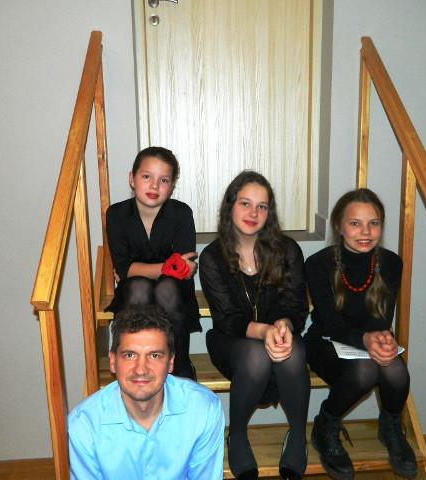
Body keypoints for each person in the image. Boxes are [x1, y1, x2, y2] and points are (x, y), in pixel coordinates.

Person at [199, 171, 310, 480]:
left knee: (294, 353)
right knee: (256, 355)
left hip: (278, 333)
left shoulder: (288, 250)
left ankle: (298, 435)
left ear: (269, 212)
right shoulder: (212, 257)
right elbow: (227, 319)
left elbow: (296, 306)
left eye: (262, 206)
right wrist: (264, 331)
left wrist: (283, 326)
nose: (253, 213)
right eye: (245, 203)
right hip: (231, 340)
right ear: (230, 206)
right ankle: (237, 434)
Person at [304, 188, 416, 479]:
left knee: (396, 370)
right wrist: (366, 339)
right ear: (339, 226)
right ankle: (326, 426)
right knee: (365, 371)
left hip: (368, 337)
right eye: (355, 223)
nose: (365, 232)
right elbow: (331, 323)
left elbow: (382, 318)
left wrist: (382, 339)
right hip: (326, 340)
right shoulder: (317, 264)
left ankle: (391, 427)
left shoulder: (391, 263)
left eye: (373, 223)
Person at [68, 304, 225, 479]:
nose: (141, 369)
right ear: (112, 362)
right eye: (130, 355)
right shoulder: (84, 425)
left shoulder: (203, 410)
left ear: (170, 362)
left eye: (154, 355)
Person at [106, 146, 199, 380]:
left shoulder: (181, 213)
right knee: (139, 287)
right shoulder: (116, 214)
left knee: (166, 288)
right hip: (134, 291)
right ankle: (133, 365)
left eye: (163, 180)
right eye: (147, 176)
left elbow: (183, 269)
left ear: (172, 186)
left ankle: (178, 365)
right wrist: (167, 267)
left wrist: (140, 269)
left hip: (174, 291)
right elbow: (125, 270)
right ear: (132, 179)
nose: (154, 186)